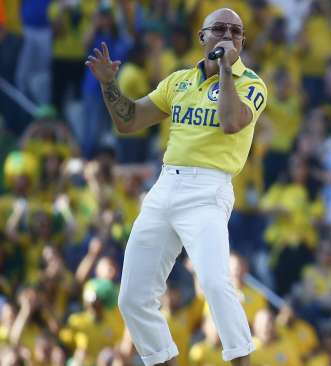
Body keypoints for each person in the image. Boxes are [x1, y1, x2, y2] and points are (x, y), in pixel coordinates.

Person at [84, 7, 267, 366]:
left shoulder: (252, 84)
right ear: (202, 37)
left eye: (236, 31)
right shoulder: (178, 81)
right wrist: (108, 83)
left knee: (215, 284)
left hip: (209, 190)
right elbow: (130, 121)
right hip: (166, 184)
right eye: (219, 29)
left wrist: (227, 68)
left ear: (242, 40)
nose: (228, 35)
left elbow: (230, 122)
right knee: (132, 298)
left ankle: (242, 362)